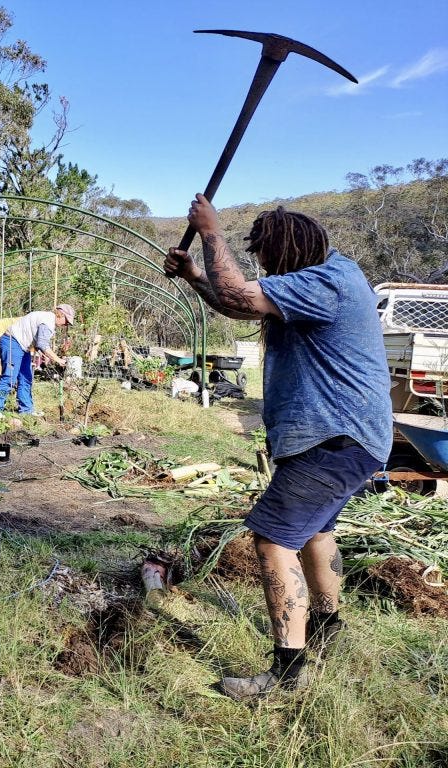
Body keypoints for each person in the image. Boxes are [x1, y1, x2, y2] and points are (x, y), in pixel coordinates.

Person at [165, 194, 391, 701]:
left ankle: (287, 674)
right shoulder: (331, 277)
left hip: (333, 439)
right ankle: (328, 630)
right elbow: (236, 302)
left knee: (272, 538)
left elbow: (242, 295)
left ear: (289, 252)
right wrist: (196, 278)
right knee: (314, 533)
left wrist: (211, 234)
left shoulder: (327, 283)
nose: (267, 268)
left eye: (269, 259)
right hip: (346, 439)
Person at [0, 304, 75, 417]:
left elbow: (38, 344)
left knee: (26, 378)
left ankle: (26, 410)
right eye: (66, 321)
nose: (66, 324)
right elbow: (42, 344)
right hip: (12, 341)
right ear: (60, 314)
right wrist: (58, 360)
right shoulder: (47, 321)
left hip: (23, 346)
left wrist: (47, 355)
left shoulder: (48, 321)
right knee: (10, 377)